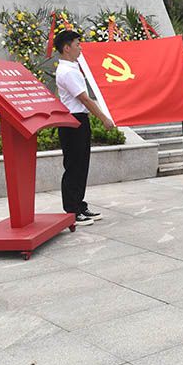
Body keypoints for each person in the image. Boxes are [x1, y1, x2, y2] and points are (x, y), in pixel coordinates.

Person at [54, 29, 115, 226]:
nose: (80, 47)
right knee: (73, 166)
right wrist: (104, 118)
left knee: (82, 165)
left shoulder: (72, 67)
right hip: (72, 121)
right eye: (77, 44)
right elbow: (84, 99)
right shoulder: (66, 71)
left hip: (79, 120)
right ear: (66, 48)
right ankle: (71, 210)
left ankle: (79, 204)